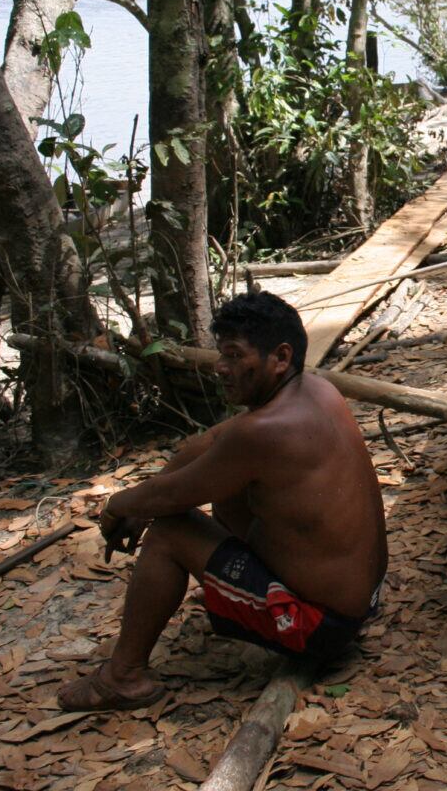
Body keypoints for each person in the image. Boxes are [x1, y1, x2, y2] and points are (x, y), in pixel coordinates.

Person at [57, 291, 388, 712]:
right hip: (364, 599)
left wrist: (121, 505)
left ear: (280, 357)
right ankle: (233, 589)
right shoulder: (317, 391)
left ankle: (122, 678)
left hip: (320, 626)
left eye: (234, 356)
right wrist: (148, 496)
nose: (221, 368)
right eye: (221, 354)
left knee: (170, 532)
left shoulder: (264, 433)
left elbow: (169, 497)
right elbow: (209, 443)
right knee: (223, 496)